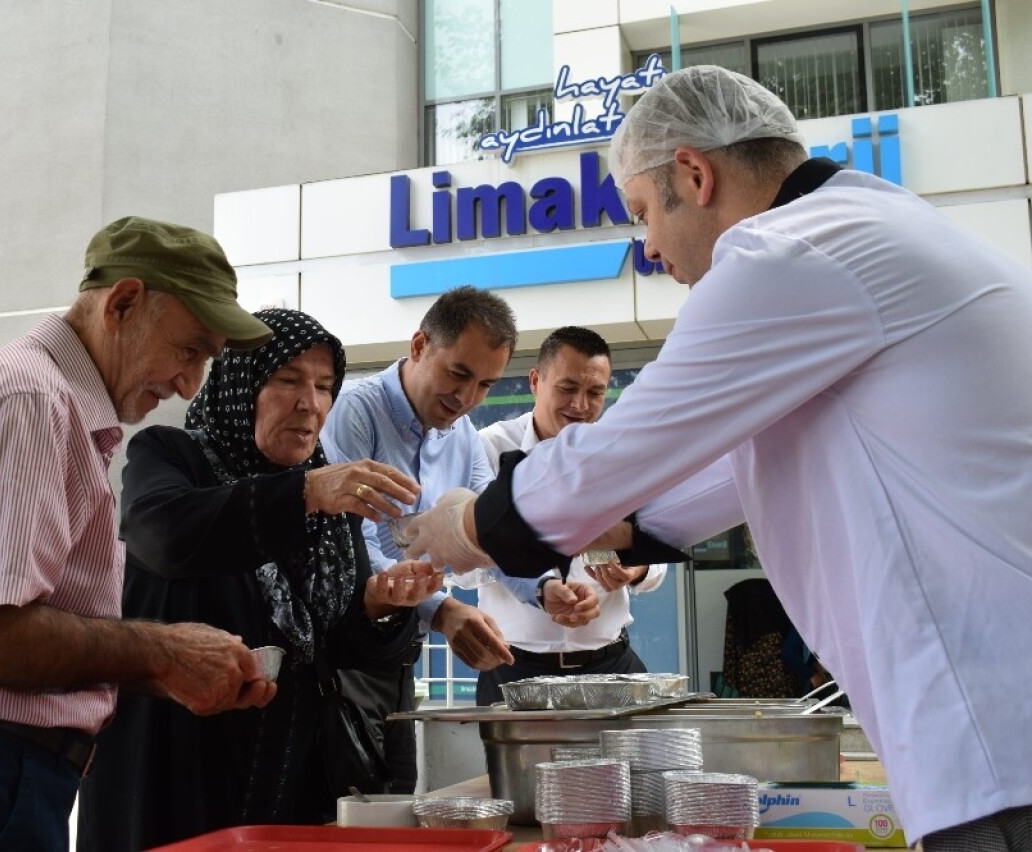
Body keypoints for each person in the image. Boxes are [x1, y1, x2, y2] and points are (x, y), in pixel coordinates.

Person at [402, 65, 1032, 850]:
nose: (650, 248)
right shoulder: (874, 233)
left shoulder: (789, 254)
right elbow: (718, 474)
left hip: (997, 737)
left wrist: (467, 524)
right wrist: (607, 528)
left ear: (694, 174)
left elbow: (630, 447)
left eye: (641, 214)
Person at [0, 217, 280, 852]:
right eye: (190, 349)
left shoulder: (45, 399)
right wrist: (162, 652)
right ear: (122, 303)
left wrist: (167, 670)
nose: (190, 384)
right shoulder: (29, 398)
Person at [76, 308, 441, 849]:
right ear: (241, 383)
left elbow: (333, 646)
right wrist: (305, 495)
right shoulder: (172, 455)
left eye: (324, 386)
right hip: (178, 767)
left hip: (290, 780)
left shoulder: (323, 490)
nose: (310, 404)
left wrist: (379, 607)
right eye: (288, 380)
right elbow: (162, 535)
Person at [320, 286, 603, 790]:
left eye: (486, 385)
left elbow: (487, 537)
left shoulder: (465, 435)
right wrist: (444, 610)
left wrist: (543, 588)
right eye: (458, 374)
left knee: (397, 798)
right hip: (344, 648)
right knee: (348, 805)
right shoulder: (355, 412)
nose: (467, 398)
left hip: (400, 649)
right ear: (419, 345)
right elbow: (351, 549)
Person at [474, 326, 667, 706]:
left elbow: (658, 553)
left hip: (611, 665)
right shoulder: (489, 450)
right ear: (535, 381)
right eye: (567, 388)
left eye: (595, 392)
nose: (581, 405)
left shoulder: (622, 453)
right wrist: (540, 585)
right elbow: (465, 563)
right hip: (514, 670)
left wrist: (635, 568)